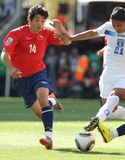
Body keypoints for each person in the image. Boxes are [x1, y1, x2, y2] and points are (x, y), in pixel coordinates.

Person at [1, 5, 71, 150]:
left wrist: (61, 28)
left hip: (39, 73)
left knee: (42, 98)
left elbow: (67, 41)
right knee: (41, 114)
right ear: (29, 20)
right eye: (37, 20)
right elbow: (4, 53)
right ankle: (52, 100)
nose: (40, 24)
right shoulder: (17, 33)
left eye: (43, 21)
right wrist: (11, 68)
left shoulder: (46, 33)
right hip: (21, 79)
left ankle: (49, 138)